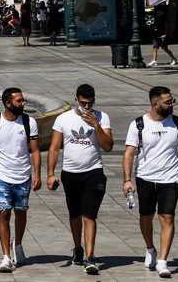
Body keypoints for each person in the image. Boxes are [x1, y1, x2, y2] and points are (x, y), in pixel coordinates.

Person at [123, 86, 178, 278]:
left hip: (170, 178)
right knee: (146, 216)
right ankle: (150, 249)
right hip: (145, 177)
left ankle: (163, 261)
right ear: (156, 103)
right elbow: (129, 153)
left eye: (172, 101)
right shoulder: (138, 124)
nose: (172, 105)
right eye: (168, 102)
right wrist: (127, 180)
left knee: (167, 217)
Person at [47, 84, 114, 274]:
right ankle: (78, 248)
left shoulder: (102, 117)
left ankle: (90, 258)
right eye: (84, 103)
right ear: (76, 100)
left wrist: (96, 125)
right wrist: (50, 174)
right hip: (70, 173)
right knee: (74, 214)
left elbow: (108, 146)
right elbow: (54, 147)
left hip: (94, 172)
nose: (87, 107)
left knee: (89, 215)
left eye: (91, 103)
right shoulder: (64, 119)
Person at [0, 87, 41, 273]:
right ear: (7, 104)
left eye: (23, 100)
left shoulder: (29, 122)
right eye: (19, 101)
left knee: (20, 212)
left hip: (23, 175)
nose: (23, 104)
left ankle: (18, 244)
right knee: (4, 212)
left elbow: (36, 150)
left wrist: (37, 174)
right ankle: (6, 256)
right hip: (0, 175)